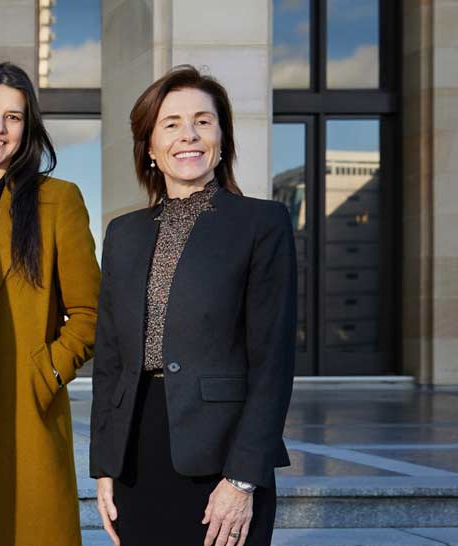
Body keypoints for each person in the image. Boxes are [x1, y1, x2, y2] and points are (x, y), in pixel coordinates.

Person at [89, 65, 295, 546]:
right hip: (137, 453)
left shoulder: (262, 223)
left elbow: (273, 363)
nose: (189, 135)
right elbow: (111, 359)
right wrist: (105, 465)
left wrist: (244, 478)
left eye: (203, 121)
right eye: (172, 123)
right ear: (150, 146)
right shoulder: (123, 233)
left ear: (222, 139)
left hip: (224, 455)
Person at [0, 62, 100, 546]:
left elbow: (91, 314)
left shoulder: (57, 201)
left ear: (27, 130)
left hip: (19, 414)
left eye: (14, 117)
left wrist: (43, 374)